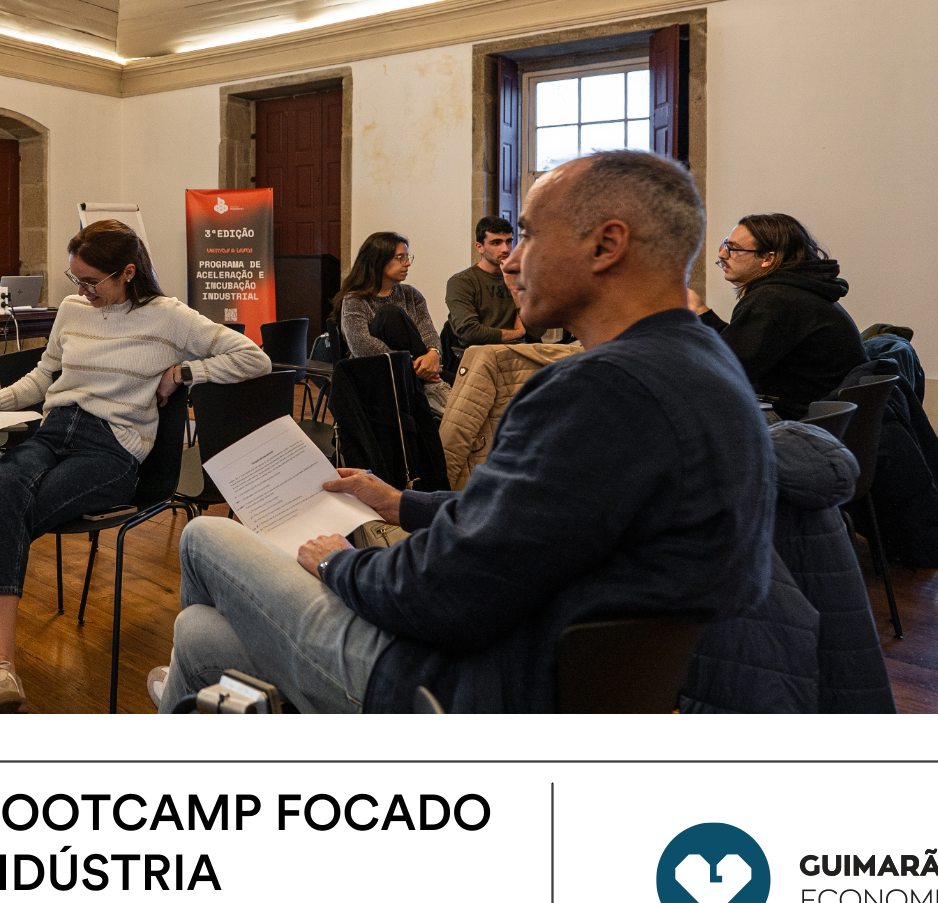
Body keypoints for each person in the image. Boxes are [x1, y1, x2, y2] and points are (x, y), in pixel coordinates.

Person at [153, 150, 774, 713]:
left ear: (606, 244)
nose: (511, 259)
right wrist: (401, 502)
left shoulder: (594, 389)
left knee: (206, 535)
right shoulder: (705, 365)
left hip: (458, 687)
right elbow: (533, 523)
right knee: (200, 637)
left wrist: (343, 563)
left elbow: (444, 592)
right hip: (554, 682)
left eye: (529, 234)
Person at [0, 219, 270, 713]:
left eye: (92, 282)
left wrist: (184, 371)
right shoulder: (73, 310)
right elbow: (44, 376)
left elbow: (252, 357)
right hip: (53, 431)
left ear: (128, 273)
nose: (82, 291)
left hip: (111, 449)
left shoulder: (169, 316)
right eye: (75, 279)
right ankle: (0, 670)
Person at [699, 213, 865, 420]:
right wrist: (702, 313)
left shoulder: (773, 299)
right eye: (725, 244)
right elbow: (747, 349)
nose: (722, 254)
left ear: (768, 258)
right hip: (824, 419)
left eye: (733, 248)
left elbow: (722, 369)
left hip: (800, 422)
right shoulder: (795, 290)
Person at [327, 230, 451, 414]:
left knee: (469, 383)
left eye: (407, 257)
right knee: (390, 314)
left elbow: (427, 330)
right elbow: (361, 345)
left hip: (416, 372)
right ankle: (430, 385)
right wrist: (411, 365)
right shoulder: (355, 299)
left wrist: (433, 354)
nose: (407, 263)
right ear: (377, 260)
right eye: (400, 258)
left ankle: (430, 386)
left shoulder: (411, 294)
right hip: (376, 372)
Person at [441, 216, 525, 380]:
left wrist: (514, 288)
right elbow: (470, 332)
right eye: (496, 243)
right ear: (479, 247)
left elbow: (537, 330)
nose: (505, 249)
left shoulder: (522, 277)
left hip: (520, 356)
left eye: (508, 241)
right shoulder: (462, 282)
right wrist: (517, 333)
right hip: (480, 359)